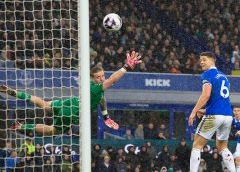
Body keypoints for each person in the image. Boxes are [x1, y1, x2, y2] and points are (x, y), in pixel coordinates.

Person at [0, 51, 142, 135]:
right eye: (98, 77)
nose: (102, 78)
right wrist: (126, 67)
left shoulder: (96, 89)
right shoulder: (95, 87)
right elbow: (113, 80)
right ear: (92, 78)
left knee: (43, 103)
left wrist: (106, 117)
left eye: (102, 76)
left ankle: (13, 93)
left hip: (70, 102)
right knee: (52, 131)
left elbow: (102, 99)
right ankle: (21, 126)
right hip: (73, 113)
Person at [187, 52, 237, 172]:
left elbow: (206, 95)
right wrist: (205, 110)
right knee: (222, 147)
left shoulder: (207, 75)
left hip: (214, 116)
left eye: (203, 60)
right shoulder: (224, 77)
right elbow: (219, 100)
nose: (201, 62)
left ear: (212, 61)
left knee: (197, 145)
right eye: (200, 60)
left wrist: (194, 111)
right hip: (227, 116)